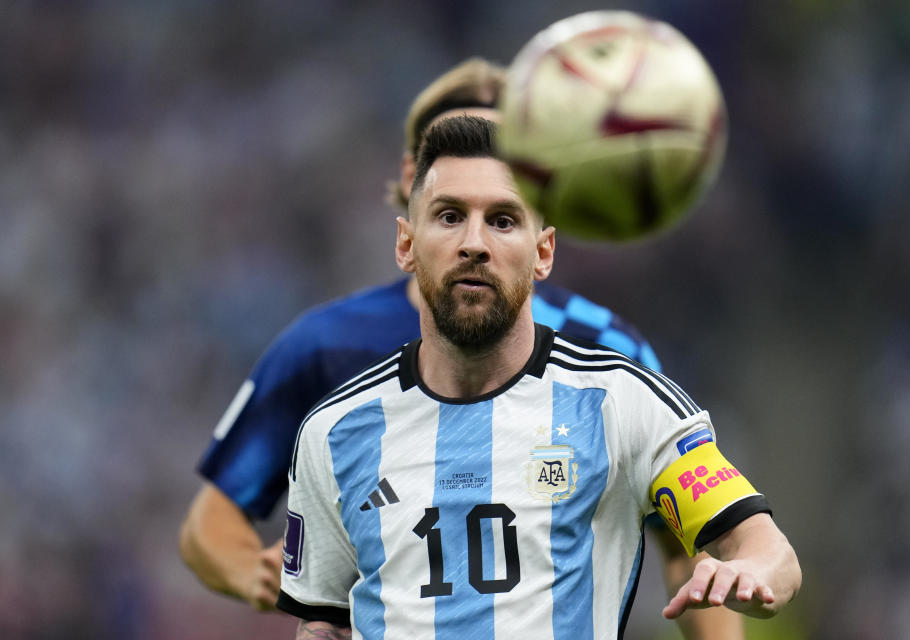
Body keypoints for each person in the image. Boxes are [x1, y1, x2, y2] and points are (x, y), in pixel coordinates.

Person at [180, 58, 744, 639]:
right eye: (453, 204)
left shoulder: (605, 351)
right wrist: (264, 575)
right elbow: (212, 523)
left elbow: (689, 546)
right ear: (410, 181)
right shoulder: (326, 348)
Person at [276, 116, 801, 639]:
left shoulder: (622, 404)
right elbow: (323, 622)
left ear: (543, 251)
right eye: (450, 216)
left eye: (503, 220)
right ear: (406, 245)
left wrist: (748, 570)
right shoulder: (333, 431)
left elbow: (767, 548)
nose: (474, 243)